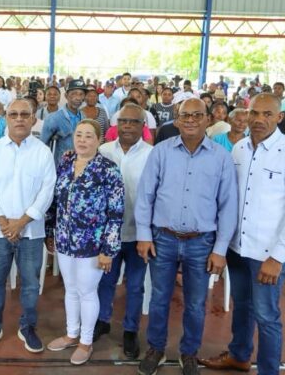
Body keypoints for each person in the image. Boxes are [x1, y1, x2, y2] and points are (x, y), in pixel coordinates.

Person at [199, 94, 285, 375]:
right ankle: (239, 356)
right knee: (242, 306)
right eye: (254, 113)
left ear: (279, 117)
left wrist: (278, 256)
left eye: (267, 114)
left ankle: (268, 370)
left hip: (268, 254)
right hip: (238, 248)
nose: (259, 119)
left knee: (266, 316)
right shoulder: (239, 149)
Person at [135, 97, 238, 375]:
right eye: (185, 115)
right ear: (177, 120)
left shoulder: (221, 157)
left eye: (197, 115)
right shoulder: (161, 152)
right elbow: (145, 195)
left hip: (201, 242)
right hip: (163, 239)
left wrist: (220, 249)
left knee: (195, 303)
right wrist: (144, 235)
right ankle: (156, 349)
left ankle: (189, 352)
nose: (191, 120)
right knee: (159, 298)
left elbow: (228, 205)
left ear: (208, 119)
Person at [0, 99, 56, 354]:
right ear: (6, 118)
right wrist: (4, 223)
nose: (19, 119)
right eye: (14, 114)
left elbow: (47, 192)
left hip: (31, 232)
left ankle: (28, 327)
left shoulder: (42, 152)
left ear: (33, 119)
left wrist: (21, 222)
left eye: (25, 114)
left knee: (31, 284)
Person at [45, 119, 124, 365]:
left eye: (89, 136)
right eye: (79, 135)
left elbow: (116, 212)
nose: (82, 140)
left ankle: (86, 342)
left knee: (87, 292)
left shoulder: (108, 169)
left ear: (99, 140)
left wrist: (108, 249)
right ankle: (71, 334)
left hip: (93, 245)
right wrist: (49, 231)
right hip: (65, 239)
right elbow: (55, 201)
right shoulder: (66, 162)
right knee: (70, 289)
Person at [95, 104, 153, 359]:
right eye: (123, 121)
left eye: (133, 121)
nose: (127, 126)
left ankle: (130, 330)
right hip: (108, 235)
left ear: (143, 126)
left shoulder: (152, 155)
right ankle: (102, 320)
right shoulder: (103, 151)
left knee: (136, 285)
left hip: (139, 234)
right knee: (105, 281)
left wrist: (148, 234)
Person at [40, 79, 87, 163]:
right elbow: (43, 145)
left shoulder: (84, 117)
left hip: (79, 164)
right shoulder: (54, 118)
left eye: (81, 94)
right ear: (66, 96)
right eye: (74, 94)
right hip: (60, 165)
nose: (78, 98)